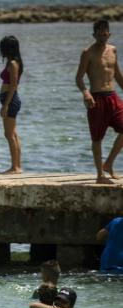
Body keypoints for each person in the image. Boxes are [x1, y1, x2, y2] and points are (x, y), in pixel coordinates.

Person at [75, 19, 123, 184]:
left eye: (105, 32)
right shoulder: (87, 52)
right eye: (99, 32)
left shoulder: (113, 50)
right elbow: (79, 78)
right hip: (96, 99)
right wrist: (86, 93)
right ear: (94, 34)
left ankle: (108, 164)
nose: (103, 35)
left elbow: (117, 75)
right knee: (97, 138)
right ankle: (99, 175)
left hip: (113, 97)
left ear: (109, 33)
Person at [0, 35, 24, 174]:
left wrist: (5, 105)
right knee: (12, 133)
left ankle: (15, 167)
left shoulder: (13, 63)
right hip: (9, 98)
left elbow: (13, 85)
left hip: (11, 99)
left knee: (9, 134)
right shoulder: (11, 62)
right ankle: (17, 166)